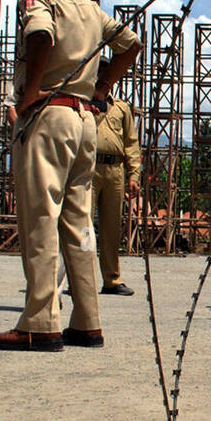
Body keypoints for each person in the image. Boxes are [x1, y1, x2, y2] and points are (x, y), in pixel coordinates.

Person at [0, 0, 141, 351]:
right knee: (77, 221)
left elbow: (39, 36)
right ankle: (87, 320)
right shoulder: (90, 7)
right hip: (85, 119)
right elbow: (131, 45)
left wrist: (29, 93)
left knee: (40, 216)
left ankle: (40, 322)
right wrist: (103, 86)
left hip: (49, 113)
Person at [90, 55, 141, 296]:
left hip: (115, 170)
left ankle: (112, 279)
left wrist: (134, 175)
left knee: (112, 228)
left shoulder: (121, 107)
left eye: (106, 72)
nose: (102, 76)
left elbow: (131, 143)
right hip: (87, 167)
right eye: (98, 71)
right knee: (82, 227)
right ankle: (81, 279)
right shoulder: (80, 102)